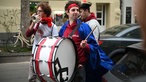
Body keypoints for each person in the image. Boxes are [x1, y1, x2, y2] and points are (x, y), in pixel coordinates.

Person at [59, 1, 113, 82]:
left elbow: (95, 47)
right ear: (67, 12)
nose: (76, 12)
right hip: (66, 66)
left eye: (77, 10)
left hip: (80, 67)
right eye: (73, 10)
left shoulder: (84, 27)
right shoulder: (63, 28)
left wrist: (86, 46)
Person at [26, 2, 58, 82]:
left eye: (40, 11)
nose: (38, 13)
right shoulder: (37, 24)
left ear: (46, 12)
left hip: (45, 56)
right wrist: (33, 22)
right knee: (31, 77)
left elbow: (55, 42)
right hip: (34, 54)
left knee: (45, 77)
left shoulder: (52, 26)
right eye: (37, 11)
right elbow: (27, 34)